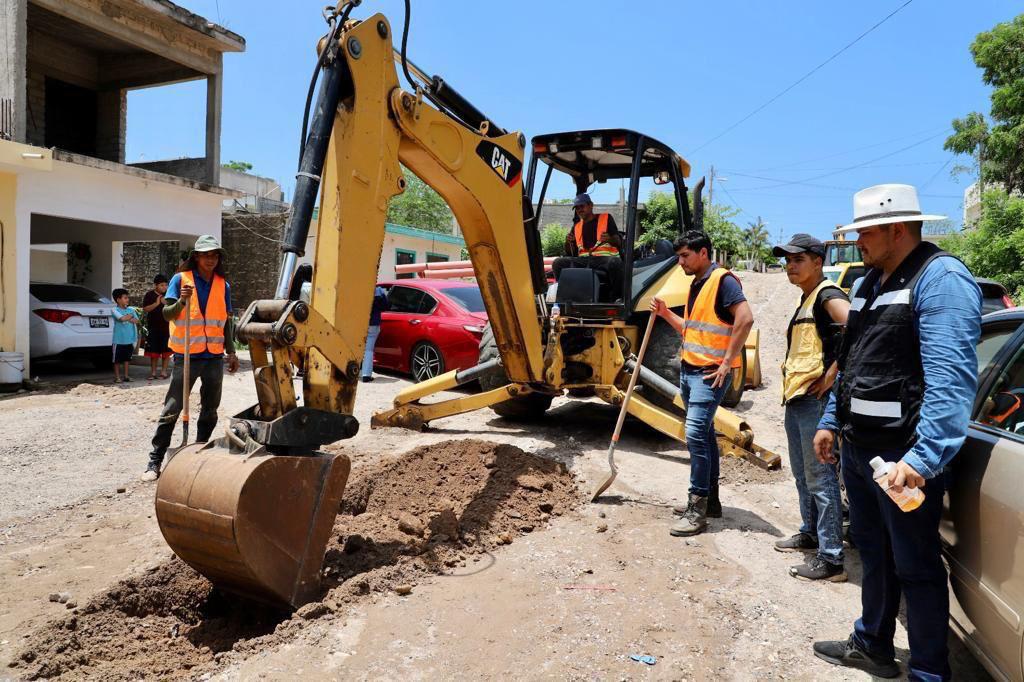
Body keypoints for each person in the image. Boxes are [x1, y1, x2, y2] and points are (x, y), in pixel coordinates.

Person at [811, 184, 981, 680]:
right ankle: (873, 644)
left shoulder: (941, 279)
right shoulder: (869, 282)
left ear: (897, 229)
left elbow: (951, 385)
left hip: (904, 458)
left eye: (865, 231)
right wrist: (829, 423)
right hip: (862, 450)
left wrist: (923, 460)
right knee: (874, 552)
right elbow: (852, 360)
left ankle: (929, 670)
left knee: (917, 566)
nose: (858, 240)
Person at [650, 231, 753, 537]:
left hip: (710, 373)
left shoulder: (724, 281)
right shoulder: (698, 283)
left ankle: (697, 508)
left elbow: (745, 319)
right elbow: (692, 330)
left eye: (685, 256)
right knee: (705, 434)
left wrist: (726, 363)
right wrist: (667, 314)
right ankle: (712, 502)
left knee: (694, 433)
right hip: (689, 370)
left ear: (704, 253)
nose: (680, 261)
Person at [771, 234, 850, 582]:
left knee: (821, 478)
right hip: (798, 398)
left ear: (818, 262)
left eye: (798, 259)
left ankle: (831, 558)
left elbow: (856, 327)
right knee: (803, 474)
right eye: (787, 260)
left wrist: (832, 375)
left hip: (816, 401)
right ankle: (811, 532)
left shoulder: (828, 295)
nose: (790, 265)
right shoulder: (808, 299)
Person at [141, 235, 240, 482]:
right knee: (173, 408)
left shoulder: (222, 285)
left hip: (214, 357)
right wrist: (183, 300)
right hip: (187, 356)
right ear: (196, 257)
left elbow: (225, 322)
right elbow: (167, 314)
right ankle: (155, 460)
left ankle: (199, 451)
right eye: (206, 255)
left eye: (215, 255)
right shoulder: (180, 280)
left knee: (210, 409)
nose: (211, 259)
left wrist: (232, 351)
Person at [552, 193, 624, 298]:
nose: (579, 209)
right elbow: (569, 252)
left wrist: (610, 239)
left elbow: (618, 242)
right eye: (577, 208)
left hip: (603, 260)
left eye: (582, 206)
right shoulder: (576, 227)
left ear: (591, 205)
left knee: (615, 262)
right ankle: (565, 297)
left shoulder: (606, 218)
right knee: (558, 263)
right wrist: (568, 242)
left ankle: (617, 298)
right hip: (585, 260)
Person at [142, 274, 172, 380]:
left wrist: (166, 304)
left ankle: (163, 372)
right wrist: (157, 303)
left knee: (166, 352)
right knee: (153, 352)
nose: (164, 288)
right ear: (155, 285)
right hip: (153, 328)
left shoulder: (169, 295)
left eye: (166, 285)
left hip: (167, 328)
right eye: (162, 285)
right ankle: (153, 372)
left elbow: (175, 308)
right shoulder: (149, 295)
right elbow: (146, 309)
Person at [110, 288, 139, 384]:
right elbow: (122, 318)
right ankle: (117, 377)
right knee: (117, 360)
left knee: (127, 359)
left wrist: (127, 317)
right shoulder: (114, 310)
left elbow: (137, 320)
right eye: (125, 298)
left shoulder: (131, 309)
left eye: (127, 298)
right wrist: (129, 317)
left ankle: (126, 376)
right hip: (118, 340)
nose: (127, 300)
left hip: (129, 339)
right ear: (118, 300)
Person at [362, 285, 390, 382]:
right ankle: (366, 374)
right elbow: (386, 306)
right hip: (373, 323)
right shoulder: (379, 291)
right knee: (368, 350)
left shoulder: (358, 288)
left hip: (359, 322)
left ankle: (356, 370)